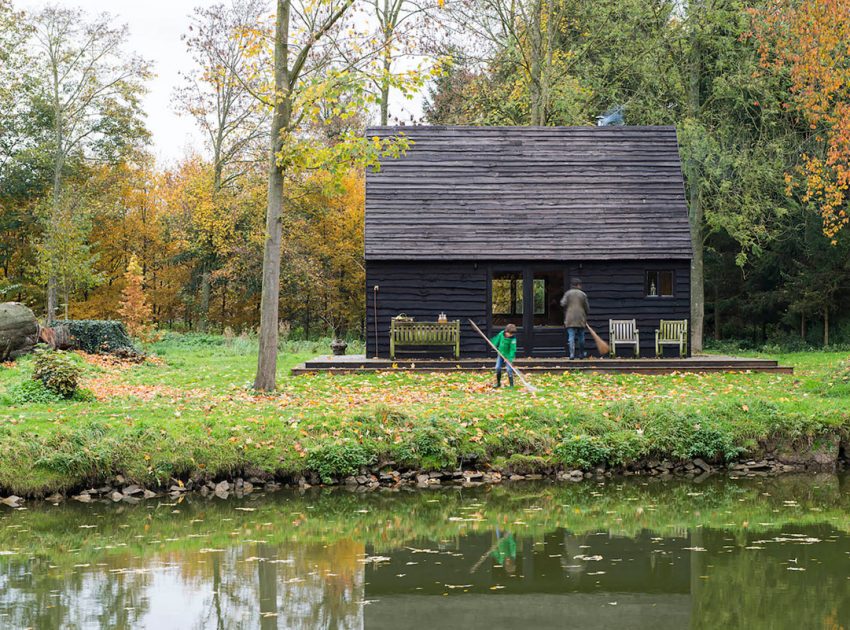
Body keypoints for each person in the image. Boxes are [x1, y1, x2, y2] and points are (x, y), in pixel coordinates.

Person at [560, 278, 589, 359]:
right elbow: (587, 307)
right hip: (580, 317)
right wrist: (585, 314)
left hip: (570, 318)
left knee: (571, 337)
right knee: (581, 337)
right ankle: (581, 354)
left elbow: (562, 303)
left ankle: (572, 355)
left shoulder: (568, 294)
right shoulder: (583, 294)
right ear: (578, 285)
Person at [490, 323, 517, 388]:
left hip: (508, 356)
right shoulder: (501, 334)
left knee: (509, 370)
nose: (510, 335)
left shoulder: (513, 339)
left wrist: (509, 358)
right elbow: (497, 339)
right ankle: (498, 383)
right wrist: (493, 344)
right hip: (500, 354)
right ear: (506, 331)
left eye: (512, 334)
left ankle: (511, 385)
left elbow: (512, 350)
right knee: (497, 368)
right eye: (509, 333)